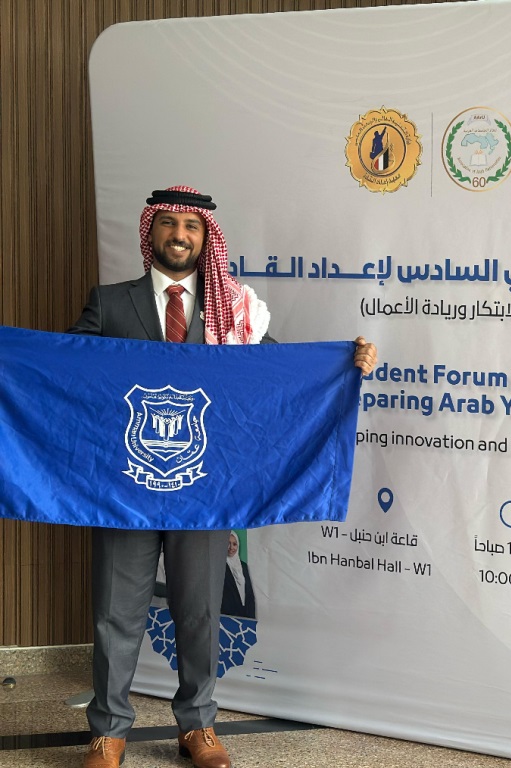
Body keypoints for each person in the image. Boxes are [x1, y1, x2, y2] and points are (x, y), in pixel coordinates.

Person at [69, 186, 377, 768]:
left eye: (191, 225)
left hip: (205, 489)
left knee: (200, 612)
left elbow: (278, 373)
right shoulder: (109, 303)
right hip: (127, 487)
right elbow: (69, 373)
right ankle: (107, 733)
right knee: (116, 611)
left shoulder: (232, 310)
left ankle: (198, 726)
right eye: (168, 223)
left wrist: (343, 363)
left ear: (206, 237)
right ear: (150, 232)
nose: (179, 235)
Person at [221, 531, 255, 619]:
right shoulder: (219, 566)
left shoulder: (243, 566)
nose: (231, 547)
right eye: (228, 543)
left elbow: (249, 593)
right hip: (227, 617)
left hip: (245, 616)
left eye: (234, 544)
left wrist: (251, 618)